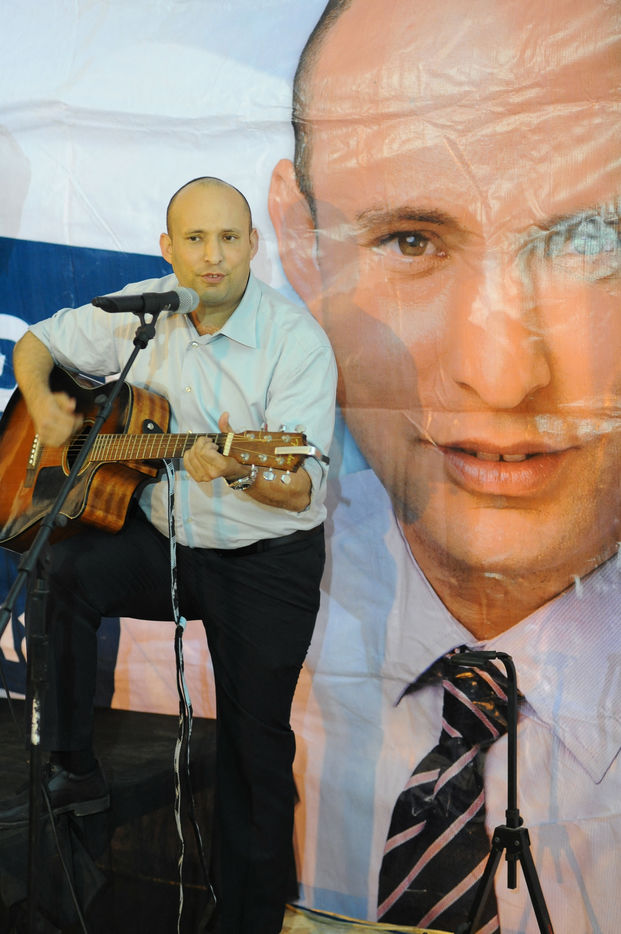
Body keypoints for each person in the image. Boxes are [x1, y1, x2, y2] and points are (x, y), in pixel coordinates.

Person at [268, 0, 621, 931]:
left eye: (593, 242)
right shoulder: (171, 655)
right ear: (300, 243)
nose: (501, 377)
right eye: (411, 241)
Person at [4, 176, 337, 934]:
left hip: (265, 562)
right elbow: (36, 343)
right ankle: (71, 765)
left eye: (228, 238)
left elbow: (298, 489)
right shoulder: (144, 312)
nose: (212, 256)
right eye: (195, 239)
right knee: (64, 570)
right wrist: (48, 407)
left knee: (255, 750)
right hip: (169, 539)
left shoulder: (296, 344)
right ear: (168, 248)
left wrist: (240, 470)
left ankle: (249, 919)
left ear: (254, 246)